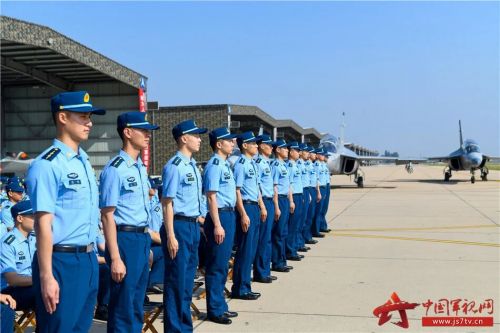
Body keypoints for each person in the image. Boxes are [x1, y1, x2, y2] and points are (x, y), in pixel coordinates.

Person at [25, 91, 105, 332]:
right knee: (59, 327)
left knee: (80, 327)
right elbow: (42, 223)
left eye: (90, 117)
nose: (89, 122)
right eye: (83, 116)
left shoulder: (83, 160)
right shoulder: (47, 164)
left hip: (88, 258)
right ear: (62, 117)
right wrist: (47, 276)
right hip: (62, 261)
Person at [99, 111, 159, 332]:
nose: (147, 135)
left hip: (141, 237)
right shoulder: (115, 169)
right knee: (124, 302)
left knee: (136, 300)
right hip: (124, 238)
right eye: (143, 130)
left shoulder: (139, 168)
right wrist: (114, 257)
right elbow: (107, 215)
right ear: (127, 132)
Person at [161, 119, 207, 332]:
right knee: (177, 282)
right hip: (178, 226)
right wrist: (170, 235)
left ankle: (184, 326)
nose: (199, 139)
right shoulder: (175, 166)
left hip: (191, 226)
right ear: (184, 138)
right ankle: (174, 328)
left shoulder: (193, 166)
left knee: (188, 280)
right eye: (196, 135)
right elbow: (167, 203)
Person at [202, 127, 239, 325]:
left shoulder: (224, 165)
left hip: (228, 215)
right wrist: (217, 224)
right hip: (220, 217)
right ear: (218, 144)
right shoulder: (214, 165)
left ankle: (221, 305)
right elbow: (211, 197)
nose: (233, 143)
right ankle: (214, 310)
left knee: (223, 264)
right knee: (216, 265)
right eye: (228, 140)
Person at [231, 131, 267, 300]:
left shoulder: (251, 163)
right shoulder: (240, 164)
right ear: (244, 145)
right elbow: (237, 191)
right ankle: (240, 288)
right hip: (246, 207)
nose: (256, 146)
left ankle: (246, 285)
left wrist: (262, 206)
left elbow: (257, 188)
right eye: (252, 143)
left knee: (251, 249)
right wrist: (243, 214)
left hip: (254, 206)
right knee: (245, 250)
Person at [0, 200, 36, 312]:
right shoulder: (8, 243)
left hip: (32, 285)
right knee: (43, 291)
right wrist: (41, 280)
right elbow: (12, 279)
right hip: (11, 290)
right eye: (33, 216)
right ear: (20, 219)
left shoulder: (35, 238)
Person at [253, 134, 279, 283]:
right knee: (262, 239)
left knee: (267, 238)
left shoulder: (267, 162)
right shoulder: (258, 162)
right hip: (262, 202)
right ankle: (260, 272)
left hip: (269, 201)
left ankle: (265, 270)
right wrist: (262, 204)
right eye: (268, 145)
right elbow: (257, 187)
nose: (271, 148)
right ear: (261, 145)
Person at [270, 139, 295, 273]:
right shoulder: (275, 165)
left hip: (285, 199)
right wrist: (276, 206)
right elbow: (274, 187)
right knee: (278, 233)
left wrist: (291, 201)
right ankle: (277, 262)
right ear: (278, 150)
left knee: (284, 232)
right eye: (284, 148)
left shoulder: (284, 165)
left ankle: (282, 259)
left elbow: (289, 185)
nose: (287, 150)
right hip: (278, 199)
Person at [285, 142, 304, 262]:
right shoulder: (290, 166)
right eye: (297, 150)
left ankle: (294, 248)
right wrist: (291, 200)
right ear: (291, 152)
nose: (299, 153)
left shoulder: (295, 165)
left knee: (297, 225)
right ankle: (290, 251)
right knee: (292, 226)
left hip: (298, 195)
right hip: (293, 196)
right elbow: (289, 185)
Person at [147, 179, 165, 294]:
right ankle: (154, 281)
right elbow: (154, 234)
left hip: (160, 242)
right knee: (165, 251)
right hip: (154, 244)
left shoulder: (170, 209)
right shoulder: (157, 211)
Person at [296, 144, 312, 252]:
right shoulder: (297, 164)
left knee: (304, 219)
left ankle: (300, 242)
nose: (308, 153)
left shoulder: (304, 164)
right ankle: (297, 244)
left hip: (304, 191)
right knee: (298, 221)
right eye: (305, 151)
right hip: (299, 192)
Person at [312, 148, 327, 238]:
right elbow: (316, 179)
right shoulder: (316, 165)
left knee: (322, 209)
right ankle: (316, 230)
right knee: (317, 211)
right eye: (321, 154)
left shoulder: (322, 164)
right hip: (319, 188)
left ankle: (321, 226)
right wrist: (318, 191)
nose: (323, 156)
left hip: (324, 187)